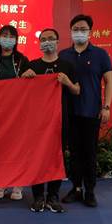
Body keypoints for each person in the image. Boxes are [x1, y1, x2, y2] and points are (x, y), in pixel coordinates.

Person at [21, 28, 80, 213]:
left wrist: (67, 83)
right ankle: (38, 196)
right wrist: (24, 78)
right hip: (36, 122)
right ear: (39, 43)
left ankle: (53, 196)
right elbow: (20, 94)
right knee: (36, 156)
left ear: (57, 41)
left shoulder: (67, 65)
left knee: (57, 156)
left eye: (51, 38)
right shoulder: (32, 65)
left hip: (60, 120)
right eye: (44, 39)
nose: (47, 42)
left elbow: (77, 90)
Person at [59, 14, 112, 208]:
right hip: (69, 112)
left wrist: (106, 106)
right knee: (74, 152)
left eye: (83, 29)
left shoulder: (100, 54)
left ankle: (90, 191)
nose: (79, 32)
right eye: (76, 29)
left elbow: (109, 81)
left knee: (89, 152)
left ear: (90, 31)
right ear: (71, 31)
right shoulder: (64, 55)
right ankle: (76, 188)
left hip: (91, 111)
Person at [0, 24, 30, 201]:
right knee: (1, 148)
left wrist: (30, 75)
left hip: (18, 112)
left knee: (18, 148)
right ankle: (2, 182)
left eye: (11, 36)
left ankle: (18, 184)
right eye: (4, 35)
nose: (7, 39)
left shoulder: (22, 60)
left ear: (16, 40)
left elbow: (30, 84)